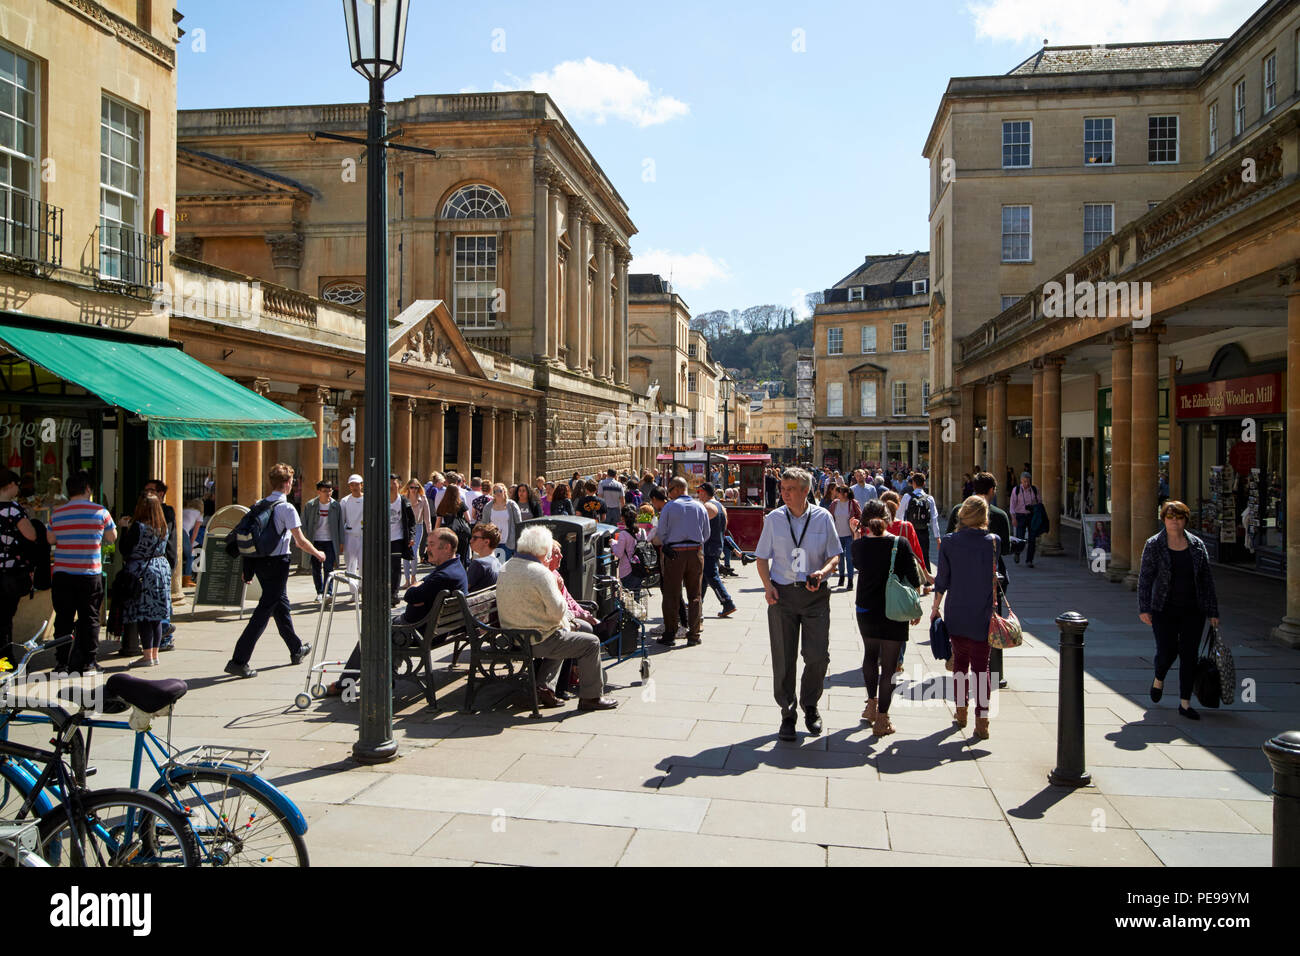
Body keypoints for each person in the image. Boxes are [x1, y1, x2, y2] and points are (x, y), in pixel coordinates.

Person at [755, 467, 842, 741]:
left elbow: (835, 556)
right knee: (784, 657)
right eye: (783, 488)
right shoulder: (774, 519)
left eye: (790, 489)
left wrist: (823, 572)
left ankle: (811, 705)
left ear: (806, 491)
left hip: (815, 594)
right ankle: (787, 712)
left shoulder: (823, 517)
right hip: (783, 596)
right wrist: (768, 587)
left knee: (818, 656)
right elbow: (761, 558)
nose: (784, 494)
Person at [496, 525, 617, 711]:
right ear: (543, 548)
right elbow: (558, 611)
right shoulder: (540, 573)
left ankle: (544, 686)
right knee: (590, 643)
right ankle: (591, 698)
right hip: (537, 638)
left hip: (514, 634)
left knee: (575, 630)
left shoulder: (507, 567)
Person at [225, 464, 325, 679]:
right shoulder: (286, 508)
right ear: (288, 483)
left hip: (260, 563)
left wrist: (248, 570)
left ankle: (296, 648)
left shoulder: (260, 504)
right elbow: (300, 541)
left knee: (281, 606)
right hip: (278, 563)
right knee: (264, 611)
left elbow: (251, 538)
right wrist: (318, 554)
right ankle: (238, 660)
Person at [1138, 500, 1220, 720]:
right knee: (1167, 652)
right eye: (1170, 517)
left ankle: (1185, 703)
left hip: (1194, 609)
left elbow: (1206, 580)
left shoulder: (1196, 545)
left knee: (1189, 655)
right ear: (1163, 519)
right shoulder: (1154, 544)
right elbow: (1145, 578)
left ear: (1185, 520)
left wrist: (1213, 611)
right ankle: (1159, 677)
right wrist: (1144, 608)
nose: (1175, 521)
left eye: (1179, 517)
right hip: (1163, 608)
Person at [931, 495, 999, 740]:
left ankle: (961, 712)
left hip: (957, 611)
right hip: (982, 612)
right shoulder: (993, 541)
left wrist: (934, 607)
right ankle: (982, 720)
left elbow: (943, 580)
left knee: (960, 663)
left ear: (962, 514)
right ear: (984, 516)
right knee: (982, 667)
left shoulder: (949, 542)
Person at [852, 499, 921, 737]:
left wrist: (854, 535)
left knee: (870, 656)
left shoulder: (859, 546)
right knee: (889, 666)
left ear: (863, 523)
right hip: (895, 610)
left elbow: (857, 564)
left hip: (866, 609)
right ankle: (883, 719)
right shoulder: (899, 544)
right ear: (888, 519)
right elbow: (914, 578)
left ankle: (870, 704)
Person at [45, 470, 116, 673]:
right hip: (89, 573)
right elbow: (112, 537)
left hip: (63, 573)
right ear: (87, 489)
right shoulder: (101, 512)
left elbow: (50, 540)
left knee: (63, 619)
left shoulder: (57, 513)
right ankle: (89, 661)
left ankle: (61, 662)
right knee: (90, 619)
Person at [651, 477, 709, 646]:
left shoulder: (669, 507)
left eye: (669, 490)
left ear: (676, 489)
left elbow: (661, 534)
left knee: (671, 594)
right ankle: (694, 635)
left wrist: (657, 541)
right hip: (695, 553)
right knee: (695, 596)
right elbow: (706, 534)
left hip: (675, 554)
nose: (668, 494)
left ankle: (670, 634)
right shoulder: (700, 506)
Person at [118, 493, 173, 668]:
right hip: (161, 570)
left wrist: (124, 528)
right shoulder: (163, 527)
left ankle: (147, 656)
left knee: (143, 615)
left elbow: (125, 550)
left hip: (142, 572)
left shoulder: (138, 527)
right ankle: (154, 654)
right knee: (156, 616)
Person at [0, 467, 37, 655]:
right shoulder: (13, 510)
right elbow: (30, 535)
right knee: (5, 619)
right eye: (17, 485)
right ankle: (4, 662)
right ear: (10, 485)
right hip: (9, 572)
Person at [697, 482, 737, 619]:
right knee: (703, 576)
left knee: (712, 576)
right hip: (716, 544)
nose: (698, 495)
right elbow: (724, 526)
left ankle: (727, 602)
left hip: (707, 546)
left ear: (703, 492)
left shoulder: (707, 506)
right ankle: (698, 603)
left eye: (699, 492)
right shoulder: (720, 506)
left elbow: (699, 528)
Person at [301, 480, 343, 597]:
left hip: (330, 541)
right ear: (318, 492)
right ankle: (319, 592)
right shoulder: (310, 505)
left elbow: (340, 525)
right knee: (316, 568)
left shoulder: (336, 506)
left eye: (329, 491)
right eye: (324, 491)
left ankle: (328, 592)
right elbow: (303, 523)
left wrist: (341, 542)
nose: (327, 493)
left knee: (329, 568)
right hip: (315, 541)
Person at [900, 473, 941, 573]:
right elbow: (934, 519)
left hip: (910, 531)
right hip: (923, 530)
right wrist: (937, 537)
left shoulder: (907, 497)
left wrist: (900, 531)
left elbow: (899, 514)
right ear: (924, 483)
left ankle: (911, 578)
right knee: (924, 554)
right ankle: (927, 579)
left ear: (913, 483)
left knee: (909, 554)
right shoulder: (929, 498)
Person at [827, 485, 860, 589]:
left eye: (839, 492)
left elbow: (860, 516)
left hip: (849, 535)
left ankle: (850, 580)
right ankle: (841, 577)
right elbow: (829, 517)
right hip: (837, 535)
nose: (837, 494)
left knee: (850, 558)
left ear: (845, 494)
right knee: (839, 558)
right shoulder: (834, 503)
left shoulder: (853, 503)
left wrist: (856, 526)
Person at [404, 478, 433, 589]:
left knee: (414, 551)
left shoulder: (423, 498)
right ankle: (407, 580)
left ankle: (413, 577)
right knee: (406, 553)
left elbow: (427, 517)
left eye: (416, 488)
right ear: (408, 488)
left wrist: (430, 532)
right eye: (412, 487)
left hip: (418, 526)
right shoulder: (403, 498)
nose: (414, 490)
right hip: (406, 527)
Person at [1009, 472, 1042, 567]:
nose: (1026, 484)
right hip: (1020, 516)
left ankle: (1029, 560)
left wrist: (1035, 504)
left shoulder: (1034, 490)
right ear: (1021, 481)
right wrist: (1013, 518)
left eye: (1028, 481)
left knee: (1032, 539)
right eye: (1024, 481)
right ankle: (1017, 553)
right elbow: (1012, 505)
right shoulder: (1016, 490)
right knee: (1020, 538)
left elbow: (1039, 503)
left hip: (1031, 516)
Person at [611, 506, 646, 591]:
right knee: (636, 598)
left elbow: (619, 553)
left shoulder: (623, 534)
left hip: (627, 571)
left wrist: (612, 543)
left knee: (628, 599)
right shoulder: (642, 532)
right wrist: (617, 543)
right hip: (640, 569)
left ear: (622, 518)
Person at [339, 474, 364, 577]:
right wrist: (341, 541)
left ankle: (363, 586)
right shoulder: (344, 501)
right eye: (352, 485)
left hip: (363, 535)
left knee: (363, 563)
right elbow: (341, 521)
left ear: (361, 485)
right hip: (350, 536)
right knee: (350, 565)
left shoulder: (367, 499)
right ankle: (353, 589)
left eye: (356, 484)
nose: (354, 487)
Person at [467, 522, 502, 592]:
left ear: (486, 542)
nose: (471, 541)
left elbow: (463, 590)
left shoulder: (478, 564)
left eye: (475, 538)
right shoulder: (499, 564)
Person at [181, 497, 203, 587]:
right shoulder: (199, 514)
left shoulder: (184, 510)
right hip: (184, 532)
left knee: (178, 555)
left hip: (176, 531)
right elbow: (195, 531)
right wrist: (191, 544)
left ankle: (179, 577)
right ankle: (187, 579)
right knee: (191, 555)